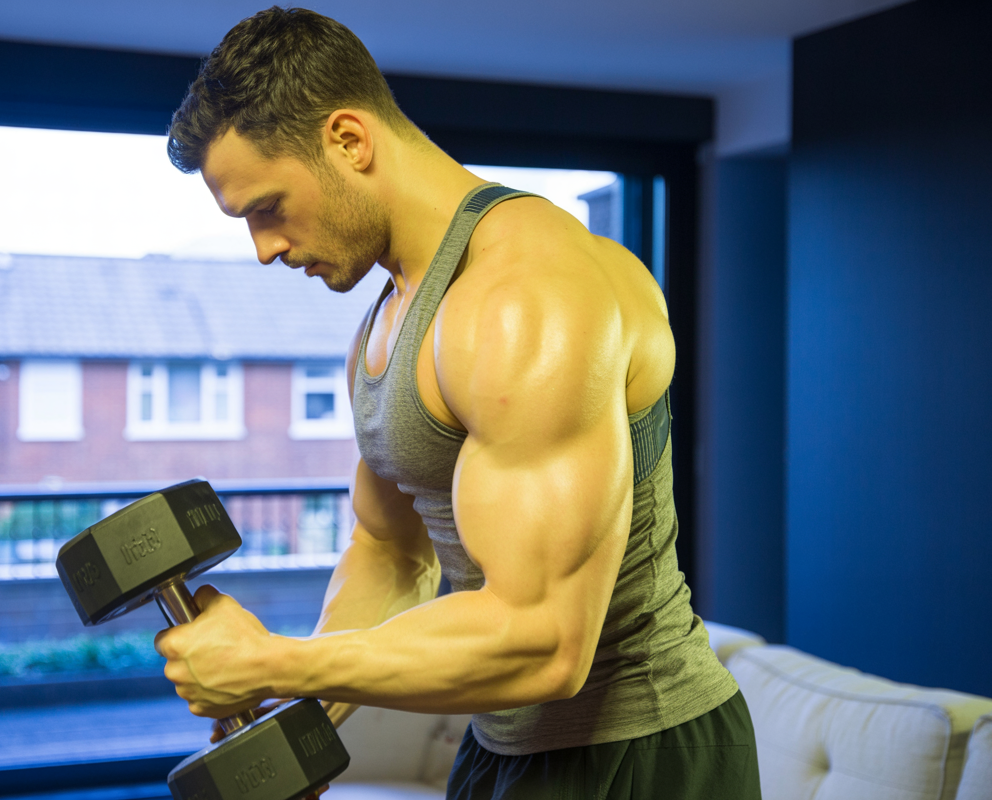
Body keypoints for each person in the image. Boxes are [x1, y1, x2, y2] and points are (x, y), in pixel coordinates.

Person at [155, 7, 761, 798]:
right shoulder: (387, 323)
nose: (264, 248)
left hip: (642, 751)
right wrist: (305, 715)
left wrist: (276, 662)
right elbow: (390, 551)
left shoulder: (527, 295)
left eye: (267, 208)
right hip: (498, 747)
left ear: (349, 140)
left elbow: (545, 640)